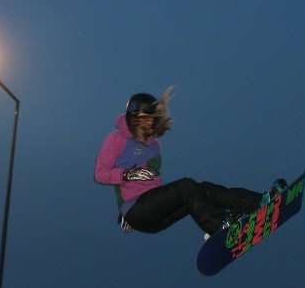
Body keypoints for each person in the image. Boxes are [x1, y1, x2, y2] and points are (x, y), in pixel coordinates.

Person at [94, 87, 285, 237]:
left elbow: (146, 187)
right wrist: (126, 187)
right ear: (137, 119)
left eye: (154, 121)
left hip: (153, 211)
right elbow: (101, 173)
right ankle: (220, 226)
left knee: (203, 189)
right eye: (149, 121)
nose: (152, 125)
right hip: (137, 210)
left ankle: (258, 203)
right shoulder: (116, 139)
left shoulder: (153, 145)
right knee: (185, 186)